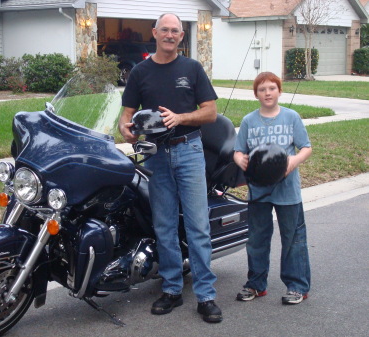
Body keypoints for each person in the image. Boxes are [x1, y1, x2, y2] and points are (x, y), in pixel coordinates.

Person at [119, 13, 222, 323]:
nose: (169, 34)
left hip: (189, 150)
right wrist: (126, 128)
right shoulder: (140, 72)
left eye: (175, 31)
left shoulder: (192, 68)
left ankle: (206, 296)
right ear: (154, 33)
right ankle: (173, 290)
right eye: (164, 29)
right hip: (155, 155)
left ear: (181, 37)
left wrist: (180, 118)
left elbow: (211, 113)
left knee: (197, 227)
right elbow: (127, 114)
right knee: (163, 226)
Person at [233, 72, 312, 305]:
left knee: (293, 238)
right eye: (262, 89)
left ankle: (297, 286)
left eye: (272, 88)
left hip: (287, 190)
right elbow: (238, 150)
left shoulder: (291, 117)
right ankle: (256, 284)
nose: (267, 93)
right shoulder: (249, 121)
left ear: (279, 91)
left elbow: (305, 147)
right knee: (256, 238)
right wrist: (240, 160)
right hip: (258, 190)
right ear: (256, 94)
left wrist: (293, 161)